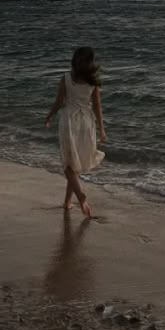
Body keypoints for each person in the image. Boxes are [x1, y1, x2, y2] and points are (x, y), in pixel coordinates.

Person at [45, 46, 106, 216]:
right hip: (87, 122)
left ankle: (80, 196)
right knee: (74, 165)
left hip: (70, 121)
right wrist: (102, 130)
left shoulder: (66, 78)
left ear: (74, 60)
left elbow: (59, 102)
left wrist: (49, 115)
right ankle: (66, 202)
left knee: (68, 165)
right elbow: (98, 107)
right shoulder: (93, 81)